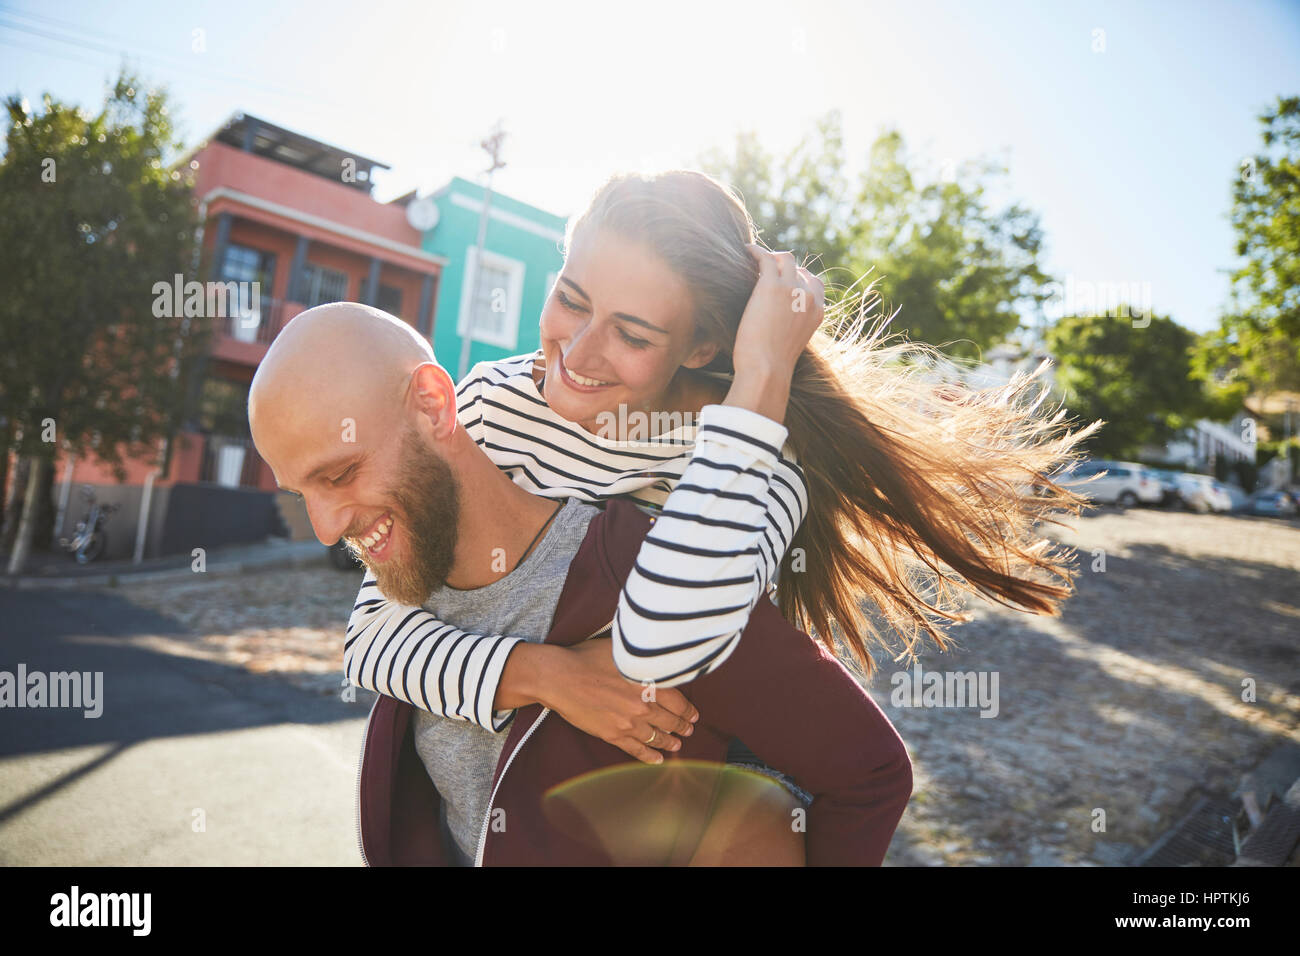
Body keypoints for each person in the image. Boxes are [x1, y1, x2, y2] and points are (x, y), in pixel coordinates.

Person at [341, 169, 1098, 775]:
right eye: (572, 300)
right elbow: (371, 639)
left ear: (703, 348)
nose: (578, 352)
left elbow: (657, 649)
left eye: (632, 334)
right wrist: (548, 677)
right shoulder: (487, 402)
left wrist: (764, 371)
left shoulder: (757, 457)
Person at [249, 302, 913, 865]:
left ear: (430, 403)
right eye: (301, 489)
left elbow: (867, 775)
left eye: (339, 475)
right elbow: (364, 651)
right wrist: (548, 675)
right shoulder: (404, 597)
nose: (325, 528)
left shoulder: (657, 580)